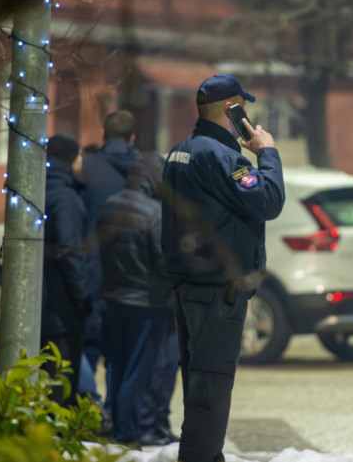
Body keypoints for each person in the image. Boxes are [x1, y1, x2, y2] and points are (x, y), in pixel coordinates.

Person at [161, 74, 285, 462]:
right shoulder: (222, 157)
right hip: (218, 291)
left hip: (188, 288)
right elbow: (268, 200)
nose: (246, 115)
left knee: (199, 392)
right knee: (211, 396)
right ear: (230, 109)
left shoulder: (181, 151)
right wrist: (266, 152)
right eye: (242, 108)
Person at [96, 153, 179, 446]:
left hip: (113, 300)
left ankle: (119, 426)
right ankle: (132, 431)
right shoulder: (155, 213)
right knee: (140, 369)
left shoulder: (108, 206)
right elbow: (161, 260)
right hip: (148, 304)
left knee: (116, 367)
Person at [77, 110, 139, 411]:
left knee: (85, 346)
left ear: (103, 136)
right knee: (123, 351)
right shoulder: (146, 169)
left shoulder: (86, 168)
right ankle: (118, 412)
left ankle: (87, 411)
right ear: (132, 138)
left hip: (90, 272)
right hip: (132, 276)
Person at [41, 134, 90, 405]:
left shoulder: (37, 188)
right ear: (71, 158)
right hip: (62, 306)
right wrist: (83, 296)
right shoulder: (65, 196)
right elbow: (69, 250)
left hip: (43, 301)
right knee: (60, 380)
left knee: (46, 373)